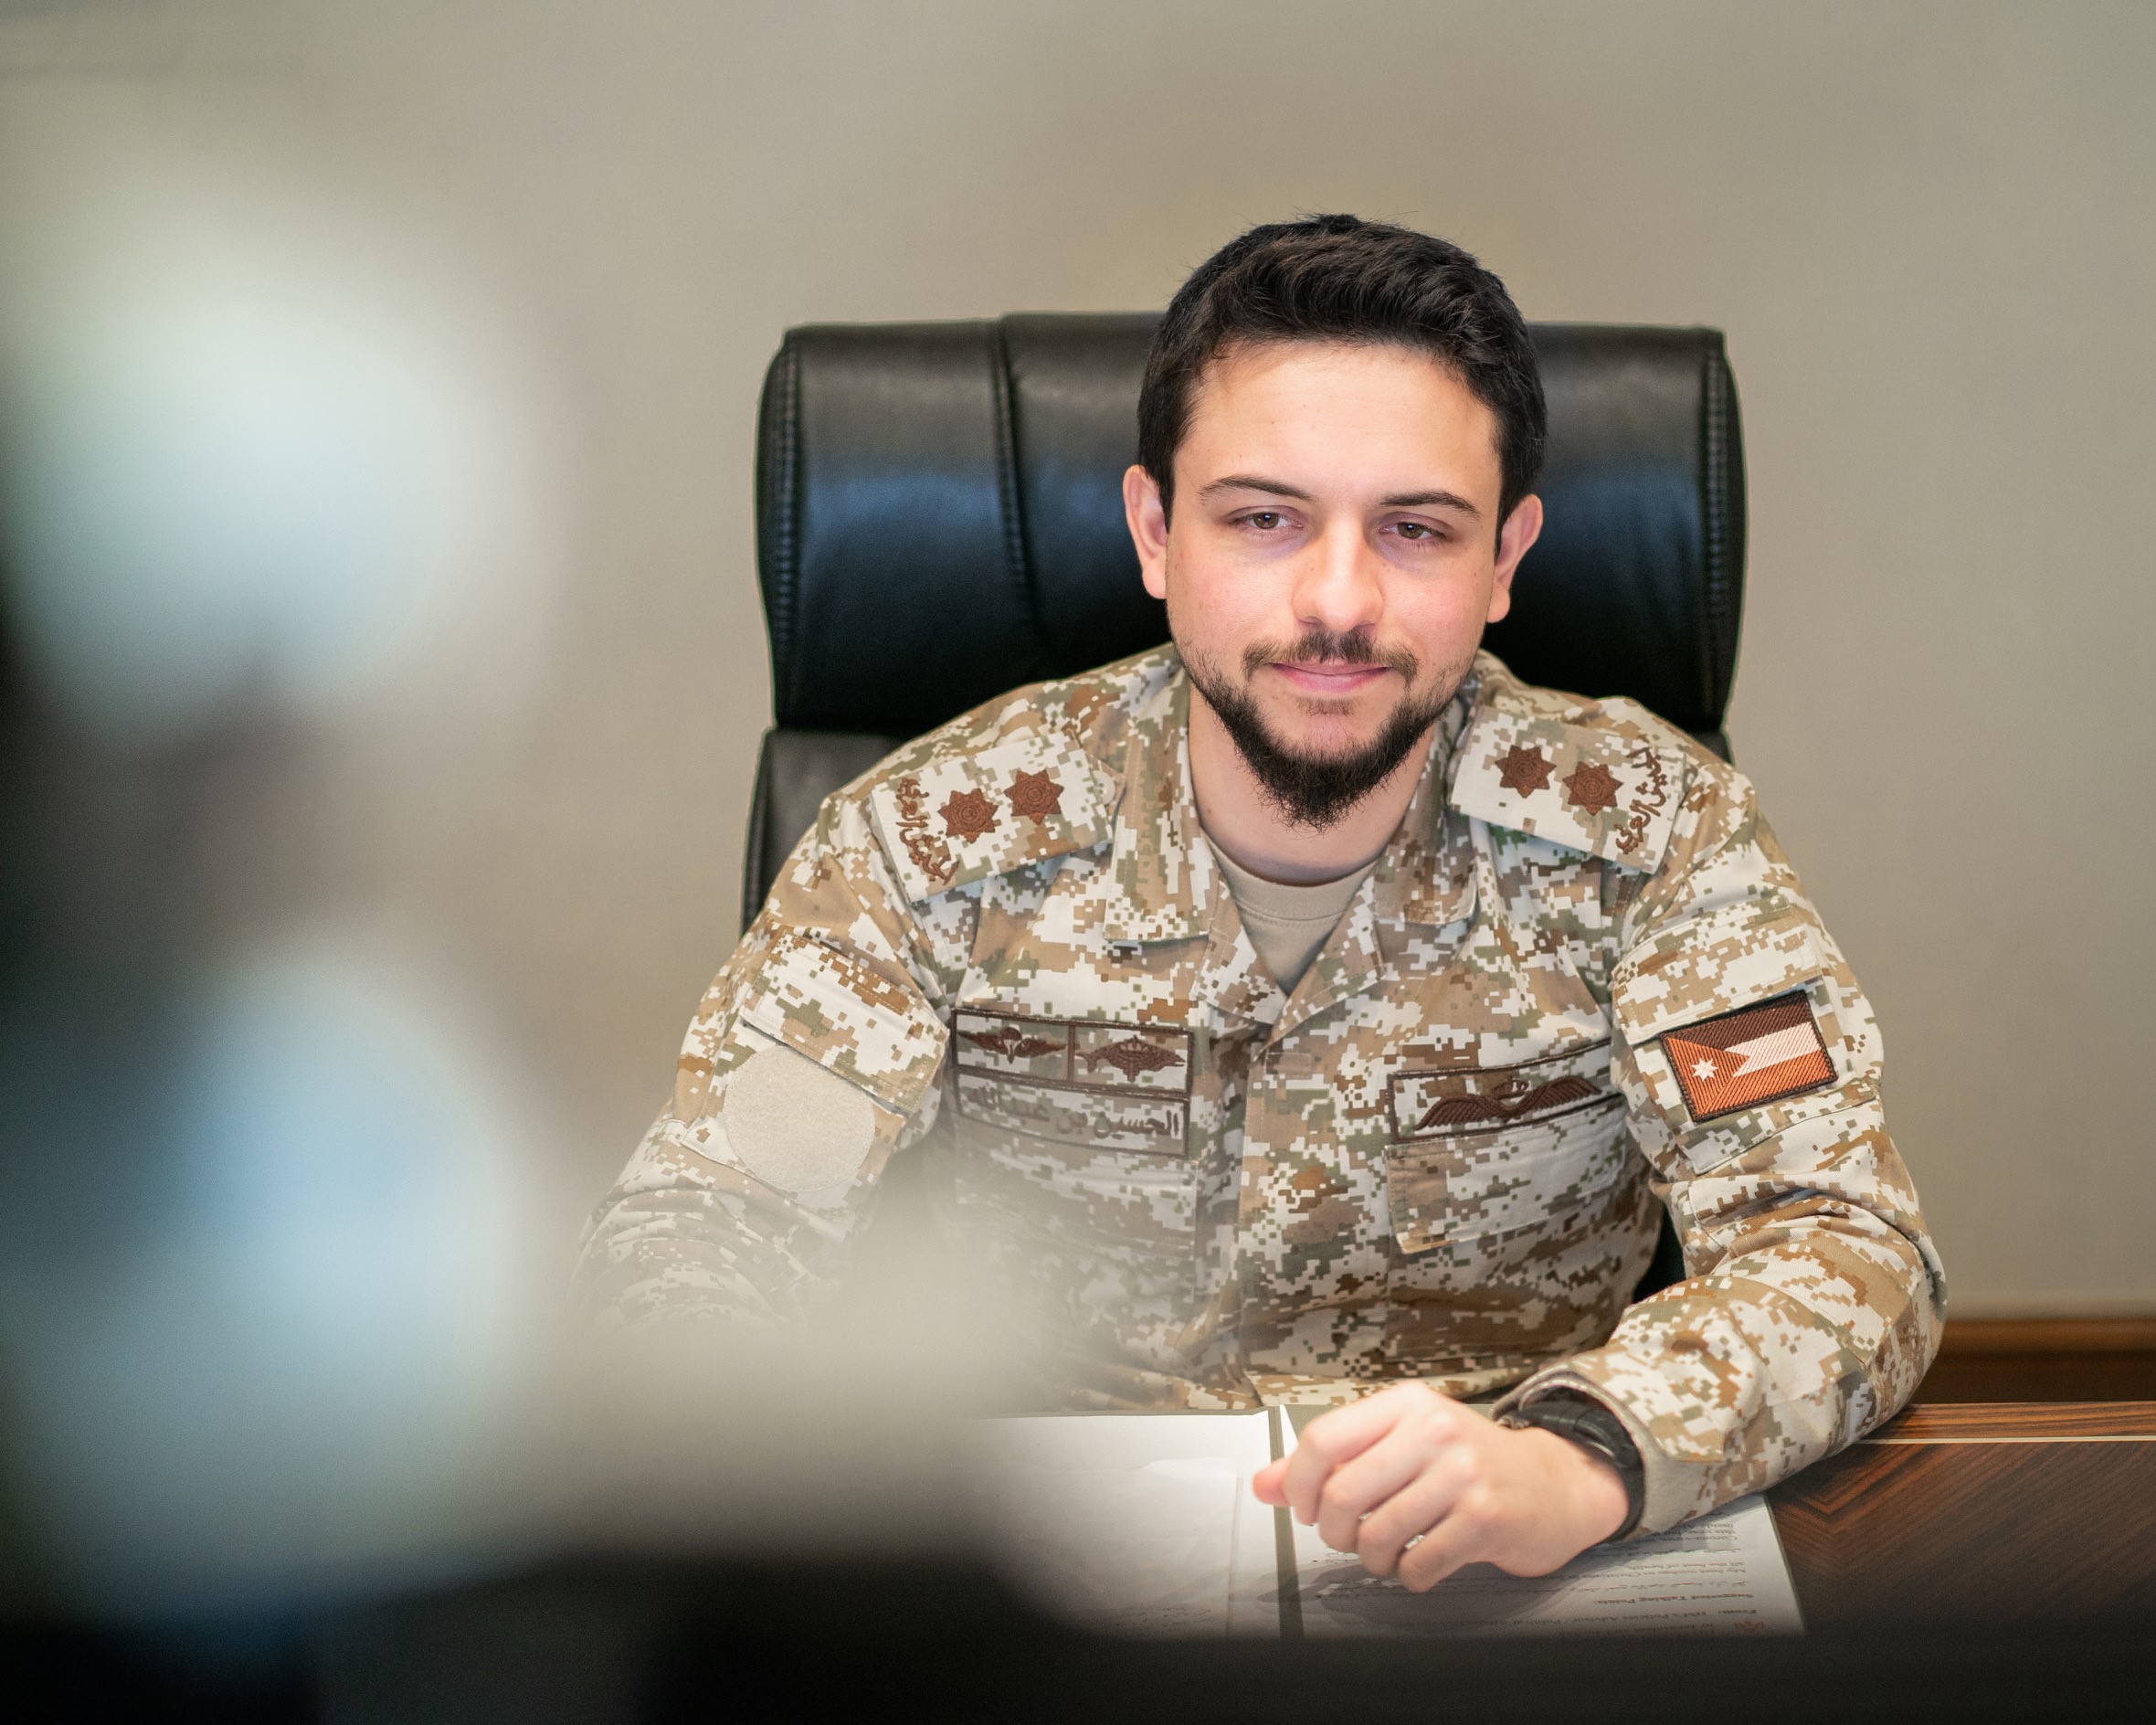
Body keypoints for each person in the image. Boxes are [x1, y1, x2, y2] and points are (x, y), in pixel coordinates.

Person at [574, 215, 1944, 1591]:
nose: (1337, 600)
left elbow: (1842, 1240)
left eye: (1416, 529)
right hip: (1031, 1574)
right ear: (1155, 533)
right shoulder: (932, 841)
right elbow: (710, 1222)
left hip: (1490, 1552)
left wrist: (1585, 1453)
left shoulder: (1656, 838)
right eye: (1264, 519)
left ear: (1506, 560)